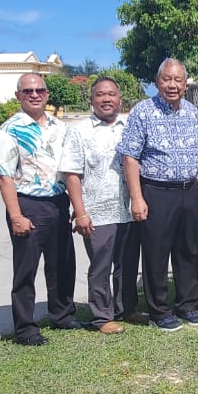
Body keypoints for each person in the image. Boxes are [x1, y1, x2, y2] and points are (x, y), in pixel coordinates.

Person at [117, 59, 198, 331]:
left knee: (189, 251)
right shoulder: (142, 112)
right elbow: (130, 156)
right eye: (167, 79)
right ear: (157, 82)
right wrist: (137, 197)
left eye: (178, 80)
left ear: (185, 83)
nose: (172, 85)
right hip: (156, 191)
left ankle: (187, 305)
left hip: (188, 191)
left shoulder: (193, 112)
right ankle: (159, 310)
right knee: (156, 254)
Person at [0, 71, 79, 346]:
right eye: (28, 91)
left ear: (47, 94)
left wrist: (76, 205)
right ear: (19, 96)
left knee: (62, 263)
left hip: (58, 201)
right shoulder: (10, 129)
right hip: (28, 203)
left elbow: (70, 169)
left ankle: (62, 314)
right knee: (26, 268)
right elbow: (3, 175)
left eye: (39, 90)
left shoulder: (59, 127)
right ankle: (25, 328)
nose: (35, 95)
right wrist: (16, 215)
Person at [60, 77, 138, 335]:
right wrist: (80, 212)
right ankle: (101, 317)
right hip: (97, 211)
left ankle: (126, 308)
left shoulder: (129, 126)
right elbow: (71, 174)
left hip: (127, 209)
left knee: (126, 264)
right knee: (101, 267)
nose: (107, 99)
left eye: (112, 95)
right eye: (100, 95)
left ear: (120, 99)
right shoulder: (79, 131)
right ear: (91, 100)